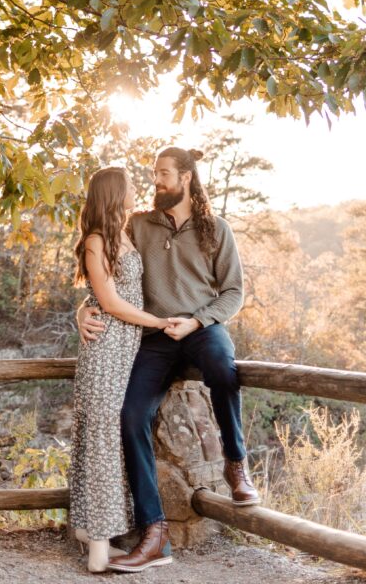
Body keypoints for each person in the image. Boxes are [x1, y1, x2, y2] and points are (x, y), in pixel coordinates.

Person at [77, 146, 259, 573]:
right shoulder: (137, 225)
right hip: (154, 336)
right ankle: (154, 532)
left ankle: (236, 465)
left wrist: (197, 322)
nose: (156, 181)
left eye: (163, 174)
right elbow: (104, 275)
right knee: (130, 415)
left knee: (222, 369)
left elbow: (234, 292)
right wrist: (82, 311)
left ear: (186, 178)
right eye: (154, 174)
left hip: (200, 329)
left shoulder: (216, 229)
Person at [69, 166, 176, 574]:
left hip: (124, 351)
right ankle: (98, 549)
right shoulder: (96, 241)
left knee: (105, 440)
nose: (137, 190)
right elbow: (109, 303)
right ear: (115, 194)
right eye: (131, 186)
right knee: (98, 441)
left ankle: (92, 535)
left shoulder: (126, 233)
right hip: (106, 352)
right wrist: (158, 322)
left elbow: (98, 295)